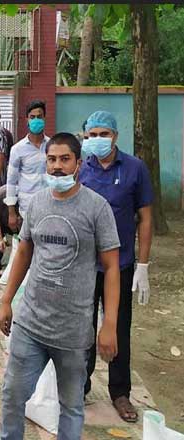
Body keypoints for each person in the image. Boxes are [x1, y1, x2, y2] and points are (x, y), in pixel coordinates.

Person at [0, 132, 120, 440]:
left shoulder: (97, 208)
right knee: (12, 396)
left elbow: (112, 268)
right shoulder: (37, 203)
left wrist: (109, 324)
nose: (57, 166)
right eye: (51, 159)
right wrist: (6, 300)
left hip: (73, 331)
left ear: (78, 164)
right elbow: (24, 252)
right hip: (31, 324)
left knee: (71, 406)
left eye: (65, 159)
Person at [80, 110, 154, 423]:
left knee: (118, 326)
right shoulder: (81, 169)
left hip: (120, 265)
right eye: (91, 135)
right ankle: (78, 386)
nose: (97, 140)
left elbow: (146, 218)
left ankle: (120, 392)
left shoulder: (135, 168)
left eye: (103, 134)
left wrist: (143, 264)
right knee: (81, 328)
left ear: (115, 136)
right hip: (84, 265)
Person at [5, 100, 49, 234]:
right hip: (27, 210)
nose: (36, 120)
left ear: (44, 118)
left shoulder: (52, 146)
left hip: (50, 209)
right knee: (27, 250)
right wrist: (12, 213)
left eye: (39, 116)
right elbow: (11, 182)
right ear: (27, 120)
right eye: (32, 117)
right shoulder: (17, 149)